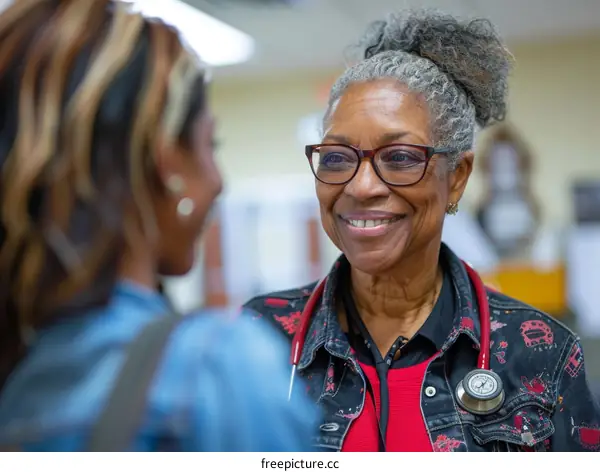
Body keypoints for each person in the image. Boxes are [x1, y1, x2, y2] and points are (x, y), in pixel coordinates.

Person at [244, 9, 600, 452]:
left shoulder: (543, 353)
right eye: (336, 157)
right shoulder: (257, 338)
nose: (361, 186)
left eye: (399, 157)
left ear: (457, 177)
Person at [0, 0, 317, 451]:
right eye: (211, 144)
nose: (218, 179)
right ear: (168, 161)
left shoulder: (22, 374)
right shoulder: (215, 372)